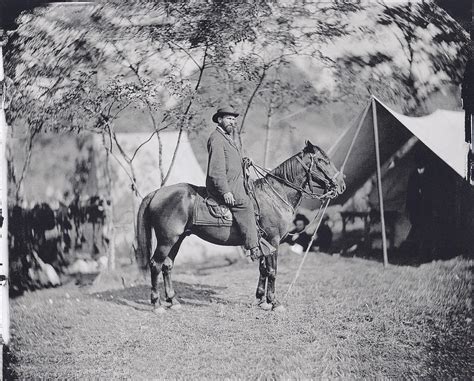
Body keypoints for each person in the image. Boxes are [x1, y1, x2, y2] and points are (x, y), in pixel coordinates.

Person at [206, 106, 262, 260]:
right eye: (229, 119)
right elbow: (216, 170)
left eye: (234, 119)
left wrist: (244, 162)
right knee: (245, 204)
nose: (233, 122)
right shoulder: (216, 138)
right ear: (219, 119)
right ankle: (253, 247)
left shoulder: (226, 138)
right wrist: (225, 191)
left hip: (235, 182)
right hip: (224, 186)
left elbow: (231, 163)